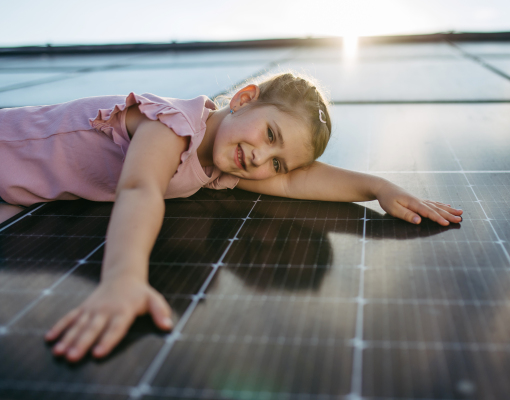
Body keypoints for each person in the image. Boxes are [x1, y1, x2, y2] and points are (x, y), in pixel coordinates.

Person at [0, 71, 462, 362]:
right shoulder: (173, 126)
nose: (261, 159)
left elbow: (299, 181)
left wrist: (379, 188)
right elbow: (140, 190)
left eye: (276, 160)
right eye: (270, 133)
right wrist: (123, 279)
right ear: (243, 99)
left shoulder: (224, 165)